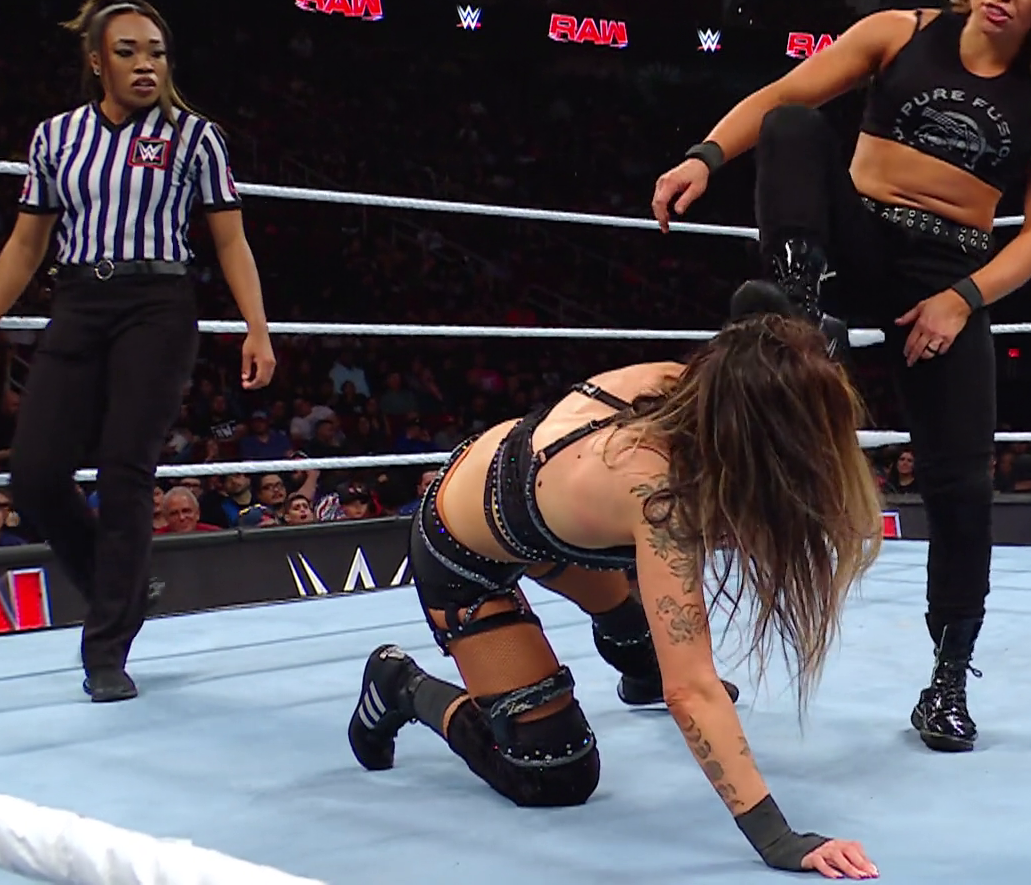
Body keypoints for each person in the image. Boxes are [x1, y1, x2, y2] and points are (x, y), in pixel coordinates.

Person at [650, 0, 1031, 753]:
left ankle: (948, 681)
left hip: (947, 274)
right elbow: (778, 99)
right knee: (792, 125)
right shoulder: (899, 33)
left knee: (961, 483)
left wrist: (961, 299)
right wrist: (704, 156)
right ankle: (798, 306)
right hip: (854, 246)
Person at [346, 312, 883, 879]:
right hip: (462, 550)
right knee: (556, 770)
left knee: (643, 632)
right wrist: (777, 837)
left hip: (528, 506)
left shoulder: (693, 385)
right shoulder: (660, 498)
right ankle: (400, 685)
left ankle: (635, 664)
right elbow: (691, 688)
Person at [0, 0, 275, 702]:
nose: (145, 65)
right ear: (98, 61)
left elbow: (230, 238)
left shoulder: (195, 137)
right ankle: (119, 583)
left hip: (157, 304)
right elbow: (27, 243)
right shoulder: (56, 137)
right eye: (128, 52)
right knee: (35, 474)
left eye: (156, 52)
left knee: (125, 468)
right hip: (76, 301)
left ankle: (106, 648)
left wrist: (257, 326)